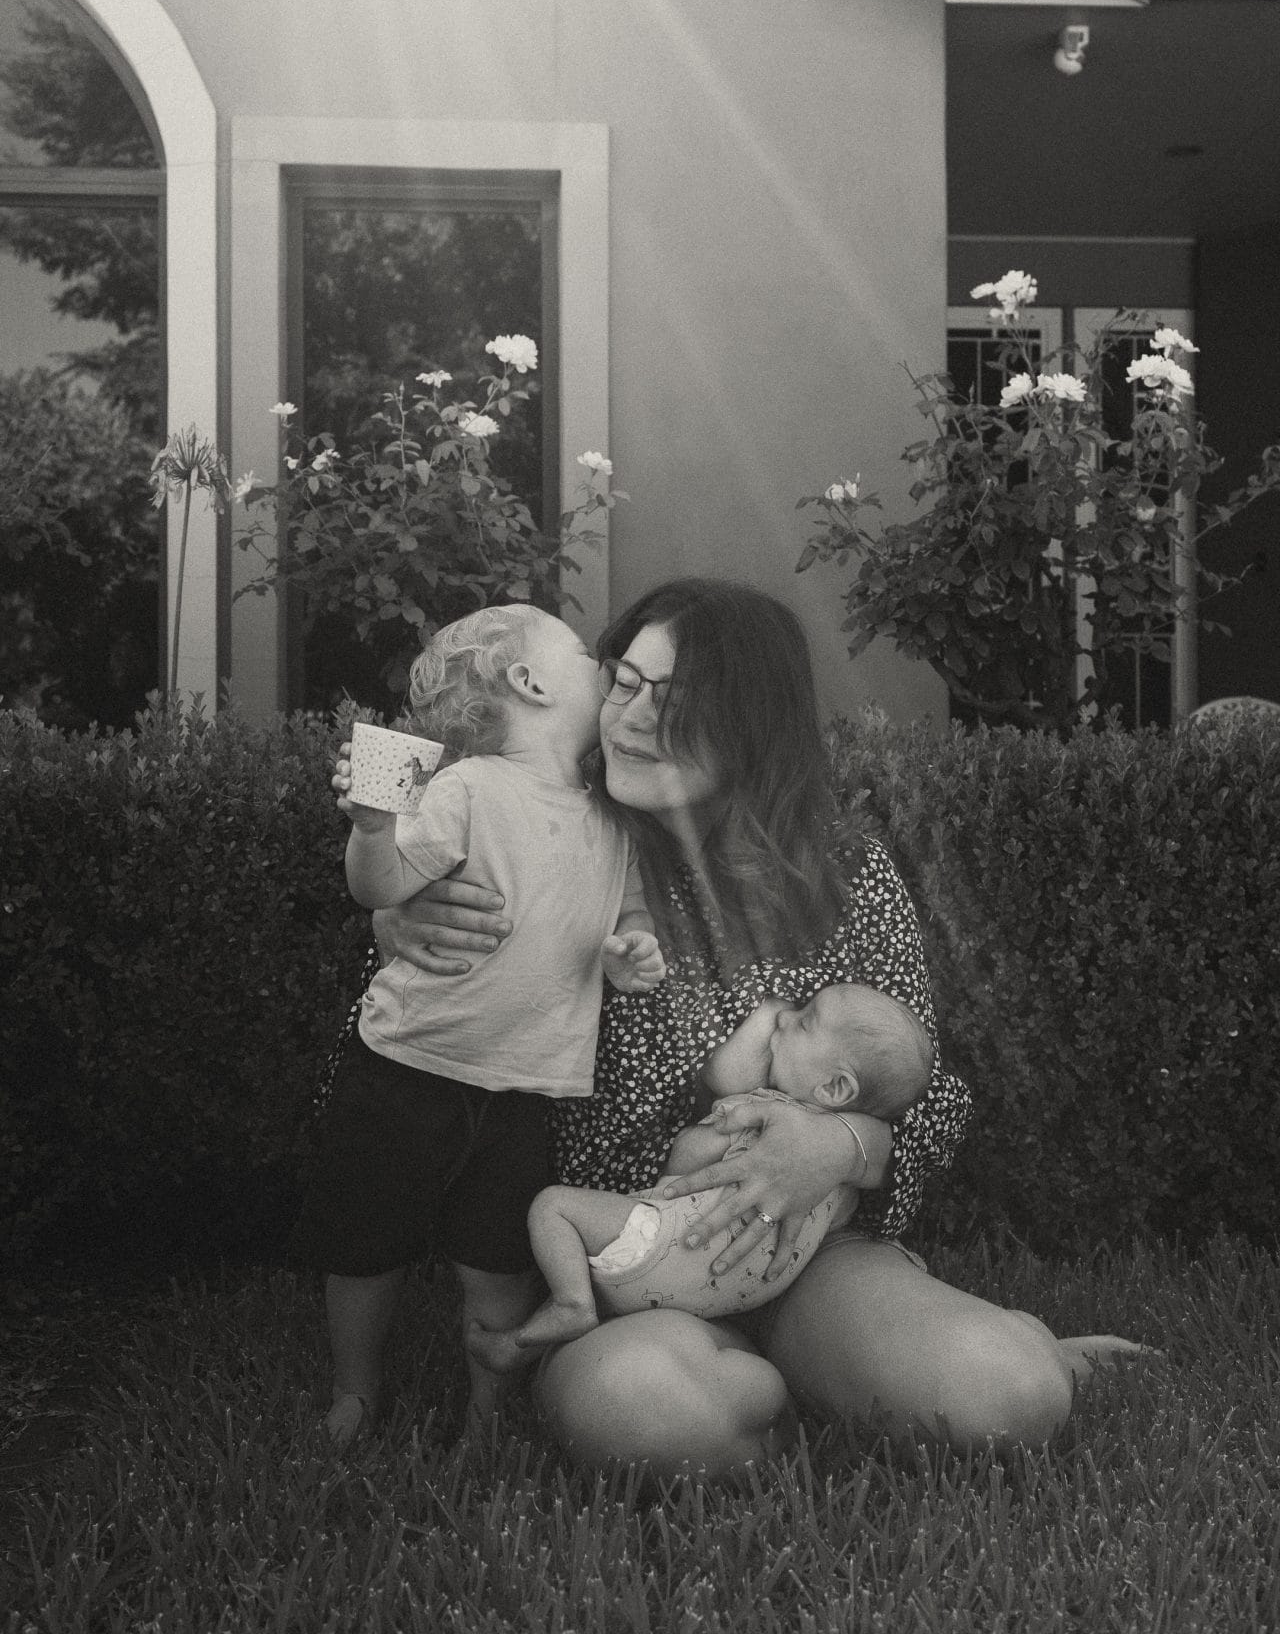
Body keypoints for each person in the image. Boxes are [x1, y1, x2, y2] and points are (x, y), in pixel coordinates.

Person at [368, 578, 1145, 1474]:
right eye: (623, 679)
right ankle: (779, 1394)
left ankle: (960, 1350)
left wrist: (845, 1148)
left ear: (755, 723)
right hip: (622, 1265)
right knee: (649, 1417)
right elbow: (404, 1032)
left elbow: (930, 1092)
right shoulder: (540, 833)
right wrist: (399, 917)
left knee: (1009, 1401)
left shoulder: (843, 868)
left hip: (811, 1255)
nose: (632, 715)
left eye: (680, 700)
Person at [291, 604, 666, 1446]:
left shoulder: (613, 819)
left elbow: (627, 922)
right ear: (531, 684)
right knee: (363, 1245)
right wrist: (374, 827)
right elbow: (380, 888)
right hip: (405, 1067)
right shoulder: (466, 788)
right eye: (579, 651)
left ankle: (486, 1415)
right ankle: (355, 1389)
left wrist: (630, 953)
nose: (598, 658)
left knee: (497, 1263)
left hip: (524, 1090)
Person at [466, 982, 933, 1371]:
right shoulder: (840, 1179)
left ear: (834, 1087)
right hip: (742, 1289)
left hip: (662, 1247)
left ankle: (569, 1303)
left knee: (554, 1207)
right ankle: (535, 1343)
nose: (785, 1018)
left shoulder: (758, 1110)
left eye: (805, 1020)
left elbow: (683, 1164)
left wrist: (706, 1132)